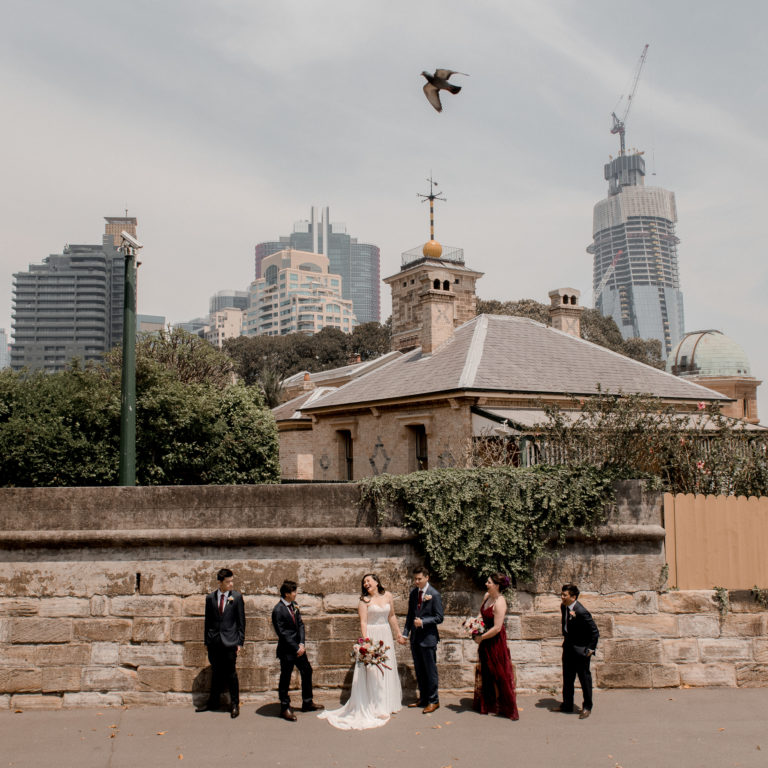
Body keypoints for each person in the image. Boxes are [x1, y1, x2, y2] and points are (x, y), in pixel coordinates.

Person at [319, 573, 404, 730]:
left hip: (385, 633)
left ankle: (387, 703)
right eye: (364, 582)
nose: (366, 584)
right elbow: (363, 622)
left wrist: (398, 633)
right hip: (372, 635)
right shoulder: (363, 601)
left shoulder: (388, 596)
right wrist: (366, 642)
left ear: (377, 582)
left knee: (387, 667)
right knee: (373, 672)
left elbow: (391, 616)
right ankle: (375, 704)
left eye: (368, 580)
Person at [271, 579, 324, 721]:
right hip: (287, 650)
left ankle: (307, 702)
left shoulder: (294, 605)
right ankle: (285, 707)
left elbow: (300, 624)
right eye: (294, 591)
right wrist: (295, 647)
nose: (296, 594)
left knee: (307, 671)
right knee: (285, 677)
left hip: (299, 648)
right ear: (287, 594)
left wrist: (301, 643)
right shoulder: (278, 610)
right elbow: (282, 633)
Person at [197, 567, 246, 718]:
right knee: (216, 672)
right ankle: (213, 702)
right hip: (214, 642)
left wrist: (240, 642)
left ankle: (234, 704)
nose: (231, 584)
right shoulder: (210, 598)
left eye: (232, 581)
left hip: (230, 642)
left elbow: (241, 622)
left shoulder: (236, 597)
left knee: (231, 674)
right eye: (228, 582)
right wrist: (207, 642)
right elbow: (208, 621)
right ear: (220, 582)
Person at [472, 572, 519, 720]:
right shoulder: (487, 596)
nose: (486, 584)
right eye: (487, 582)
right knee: (487, 671)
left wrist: (481, 637)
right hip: (485, 638)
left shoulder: (500, 602)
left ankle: (505, 706)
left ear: (497, 586)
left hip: (495, 641)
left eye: (489, 582)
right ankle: (489, 703)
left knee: (499, 672)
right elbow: (481, 615)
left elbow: (498, 627)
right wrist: (474, 625)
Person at [552, 583, 599, 719]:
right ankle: (567, 704)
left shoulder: (582, 611)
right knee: (568, 678)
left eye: (564, 595)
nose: (562, 597)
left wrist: (590, 649)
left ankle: (587, 707)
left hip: (581, 651)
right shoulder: (564, 607)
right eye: (561, 594)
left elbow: (595, 632)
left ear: (573, 597)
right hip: (568, 648)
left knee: (584, 679)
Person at [402, 565, 443, 713]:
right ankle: (424, 698)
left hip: (429, 638)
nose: (417, 582)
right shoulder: (413, 594)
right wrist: (405, 634)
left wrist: (424, 622)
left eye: (419, 579)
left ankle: (434, 700)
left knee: (430, 671)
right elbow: (410, 616)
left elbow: (439, 617)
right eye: (415, 579)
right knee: (419, 670)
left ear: (427, 578)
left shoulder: (434, 594)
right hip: (415, 639)